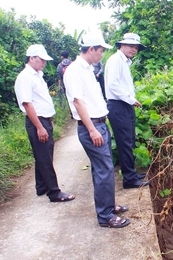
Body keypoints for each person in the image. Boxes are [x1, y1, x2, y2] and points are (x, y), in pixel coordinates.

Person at [63, 32, 130, 228]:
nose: (102, 54)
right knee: (104, 170)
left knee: (102, 169)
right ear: (91, 49)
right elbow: (77, 101)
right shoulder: (75, 71)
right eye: (100, 50)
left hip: (100, 123)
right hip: (92, 126)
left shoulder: (88, 69)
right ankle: (105, 216)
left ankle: (108, 206)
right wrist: (92, 130)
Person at [14, 44, 75, 203]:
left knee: (43, 155)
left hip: (43, 120)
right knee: (45, 158)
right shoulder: (25, 77)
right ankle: (54, 192)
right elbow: (28, 105)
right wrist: (40, 127)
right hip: (37, 122)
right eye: (41, 60)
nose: (44, 63)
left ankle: (41, 186)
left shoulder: (37, 75)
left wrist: (48, 121)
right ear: (31, 58)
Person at [104, 33, 149, 189]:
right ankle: (129, 180)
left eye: (136, 47)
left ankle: (131, 173)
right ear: (121, 45)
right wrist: (130, 99)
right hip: (118, 105)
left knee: (129, 140)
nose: (134, 49)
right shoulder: (115, 61)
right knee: (124, 143)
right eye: (131, 46)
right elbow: (113, 85)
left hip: (126, 105)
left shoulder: (124, 62)